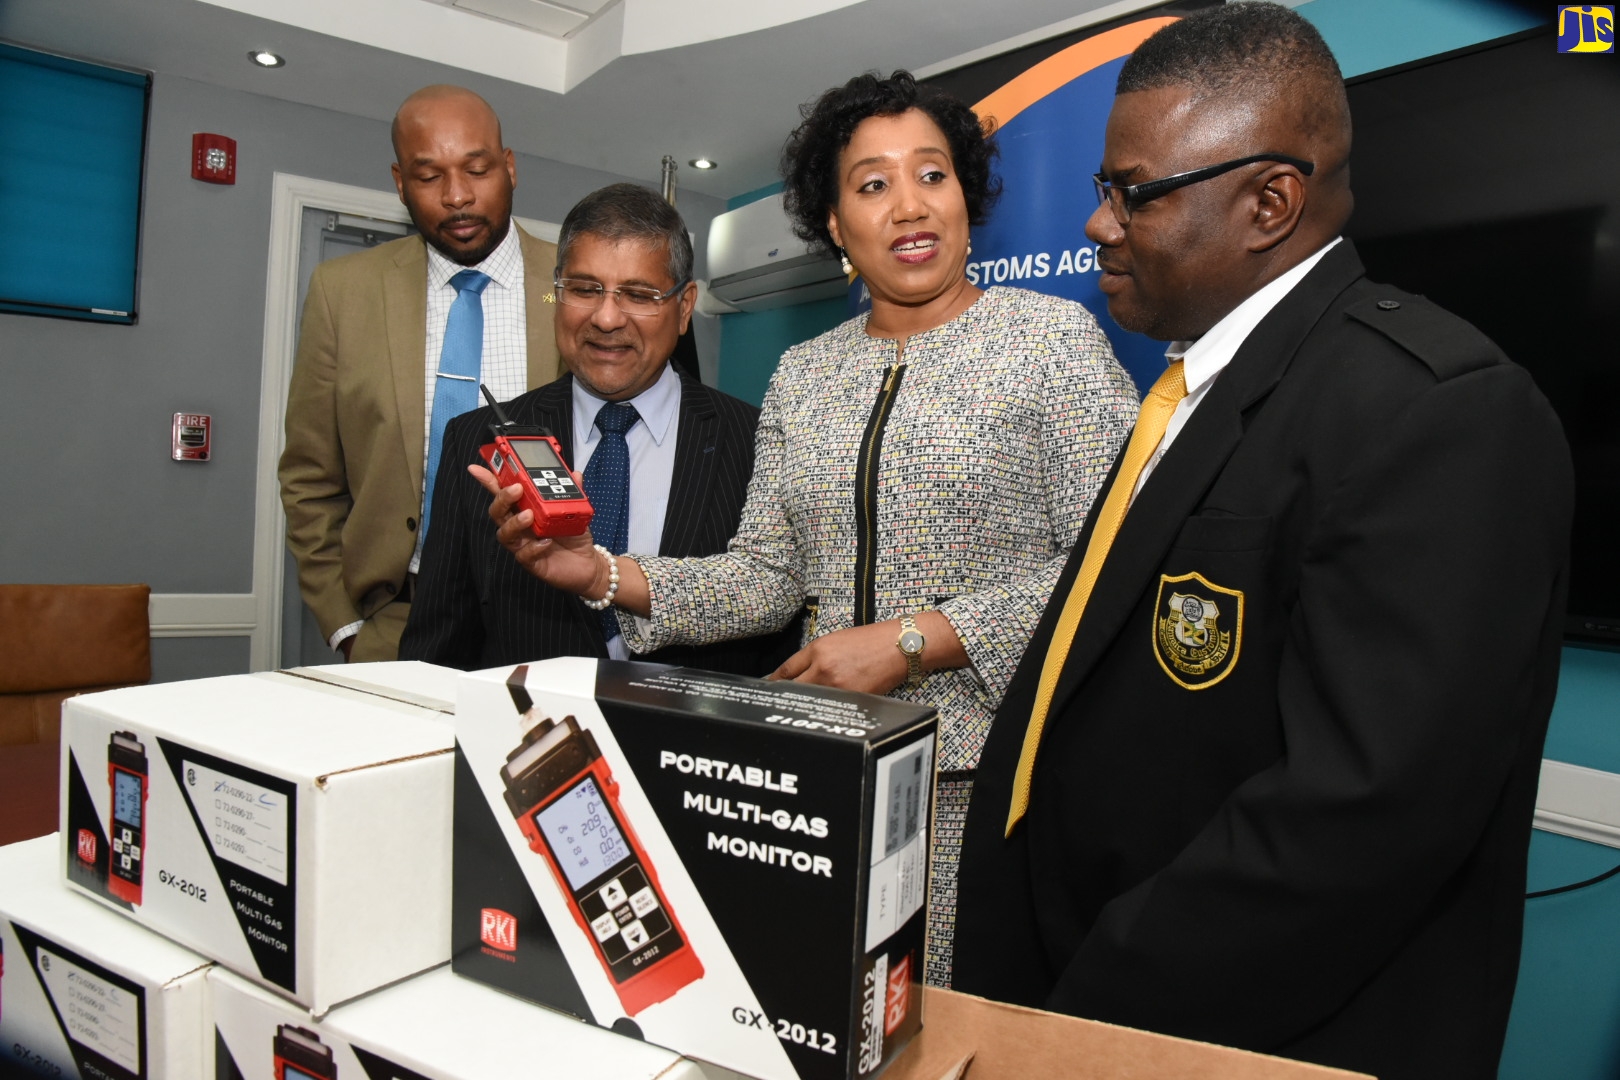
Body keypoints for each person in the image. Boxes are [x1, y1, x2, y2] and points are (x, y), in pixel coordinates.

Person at [950, 7, 1572, 1079]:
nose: (1099, 224)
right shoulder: (1196, 384)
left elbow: (1361, 819)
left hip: (1212, 1030)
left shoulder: (1435, 409)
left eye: (1133, 193)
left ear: (1270, 203)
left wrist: (1088, 1009)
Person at [476, 71, 1138, 987]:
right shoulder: (804, 374)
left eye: (932, 175)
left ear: (966, 196)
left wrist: (911, 642)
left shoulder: (1053, 343)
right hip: (824, 777)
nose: (910, 205)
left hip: (990, 785)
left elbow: (1115, 561)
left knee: (953, 1022)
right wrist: (600, 574)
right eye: (873, 184)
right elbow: (767, 573)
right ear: (834, 222)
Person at [399, 183, 798, 674]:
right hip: (527, 721)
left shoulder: (759, 441)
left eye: (639, 294)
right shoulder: (477, 440)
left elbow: (776, 642)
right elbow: (436, 652)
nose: (607, 318)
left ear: (684, 307)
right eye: (585, 290)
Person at [279, 84, 561, 663]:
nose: (457, 196)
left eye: (477, 170)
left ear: (509, 168)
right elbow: (310, 475)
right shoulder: (342, 293)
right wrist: (344, 625)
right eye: (429, 176)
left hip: (550, 617)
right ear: (400, 182)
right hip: (394, 626)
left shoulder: (575, 283)